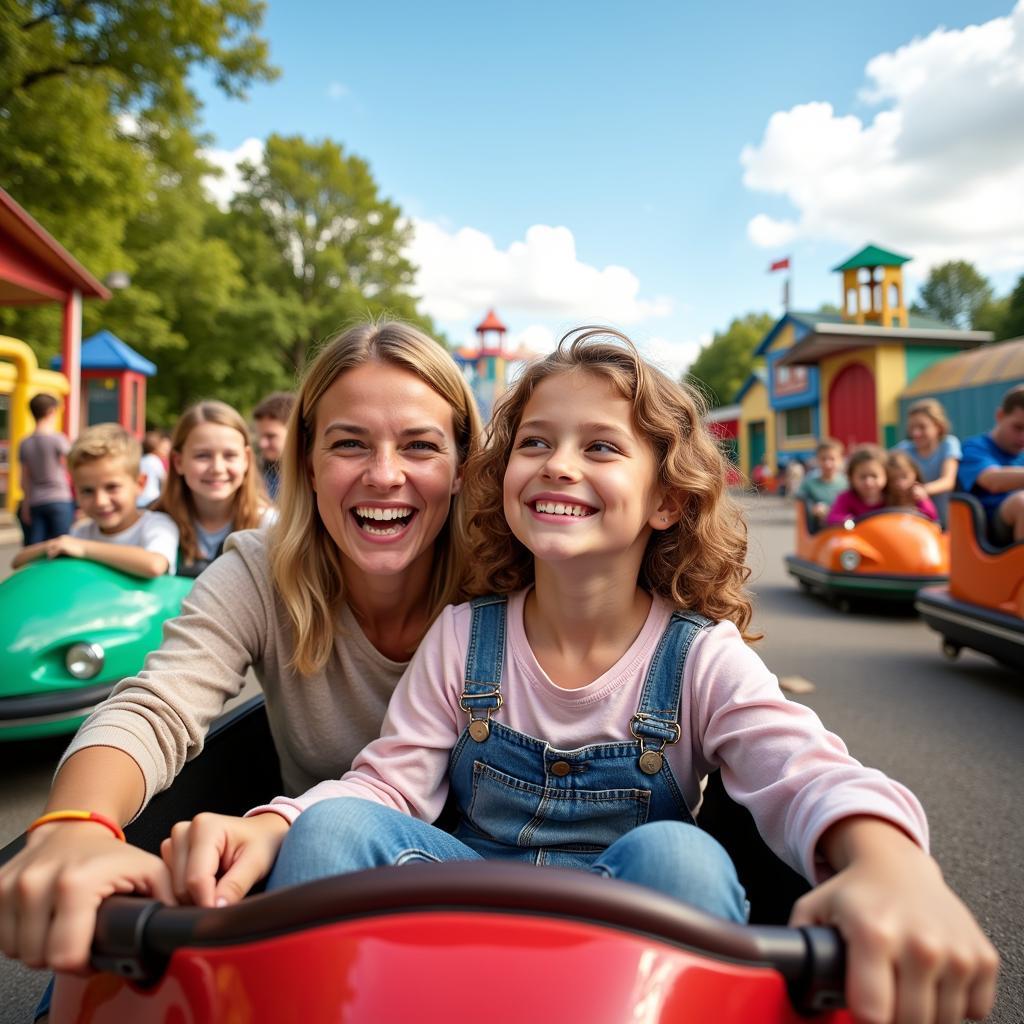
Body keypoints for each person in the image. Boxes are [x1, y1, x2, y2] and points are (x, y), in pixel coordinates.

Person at [163, 329, 997, 1024]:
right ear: (503, 477)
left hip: (627, 947)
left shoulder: (699, 655)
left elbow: (805, 770)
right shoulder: (463, 636)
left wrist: (893, 868)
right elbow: (388, 787)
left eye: (599, 446)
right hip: (462, 898)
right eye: (535, 443)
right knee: (333, 829)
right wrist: (277, 821)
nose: (559, 464)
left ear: (667, 499)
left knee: (683, 852)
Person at [0, 321, 481, 1001]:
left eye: (419, 446)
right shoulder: (261, 567)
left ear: (463, 465)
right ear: (308, 463)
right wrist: (78, 822)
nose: (383, 475)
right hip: (305, 875)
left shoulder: (503, 582)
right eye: (349, 444)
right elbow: (159, 702)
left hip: (482, 888)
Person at [11, 423, 179, 578]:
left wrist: (82, 548)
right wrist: (59, 543)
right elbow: (17, 561)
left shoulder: (156, 525)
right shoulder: (82, 532)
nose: (100, 501)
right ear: (75, 491)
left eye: (112, 487)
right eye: (87, 491)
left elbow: (154, 565)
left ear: (140, 484)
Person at [153, 401, 275, 577]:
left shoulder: (269, 527)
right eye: (202, 455)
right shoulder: (153, 523)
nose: (217, 468)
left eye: (230, 455)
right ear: (178, 462)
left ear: (246, 460)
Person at [957, 383, 1024, 544]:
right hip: (990, 531)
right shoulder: (974, 447)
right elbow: (993, 481)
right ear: (1000, 416)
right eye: (1018, 427)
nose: (1023, 437)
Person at [17, 393, 74, 544]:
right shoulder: (58, 440)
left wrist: (26, 506)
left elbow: (24, 480)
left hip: (35, 502)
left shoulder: (25, 443)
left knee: (36, 550)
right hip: (60, 499)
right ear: (51, 411)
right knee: (62, 547)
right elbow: (72, 468)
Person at [892, 398, 961, 525]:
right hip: (915, 520)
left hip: (945, 521)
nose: (916, 433)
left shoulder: (948, 444)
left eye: (922, 427)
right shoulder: (904, 449)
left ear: (938, 426)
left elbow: (948, 481)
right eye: (912, 428)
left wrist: (922, 490)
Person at [826, 445, 888, 525]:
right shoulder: (846, 498)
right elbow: (832, 518)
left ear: (886, 475)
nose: (868, 482)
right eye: (862, 477)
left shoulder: (892, 497)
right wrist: (847, 521)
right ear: (851, 478)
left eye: (874, 476)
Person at [252, 391, 295, 501]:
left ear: (295, 432)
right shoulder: (254, 475)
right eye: (260, 436)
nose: (262, 444)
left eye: (270, 436)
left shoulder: (314, 478)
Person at [795, 439, 847, 527]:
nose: (828, 464)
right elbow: (801, 506)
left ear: (840, 460)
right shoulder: (809, 484)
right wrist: (813, 510)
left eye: (832, 459)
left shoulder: (847, 483)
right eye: (823, 459)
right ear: (817, 460)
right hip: (819, 531)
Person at [884, 451, 938, 520]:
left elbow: (932, 517)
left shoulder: (918, 496)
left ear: (915, 473)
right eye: (893, 479)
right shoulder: (887, 497)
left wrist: (923, 499)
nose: (900, 483)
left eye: (904, 476)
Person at [137, 429, 169, 508]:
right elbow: (164, 479)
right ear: (156, 446)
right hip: (151, 499)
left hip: (139, 499)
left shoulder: (142, 460)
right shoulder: (155, 460)